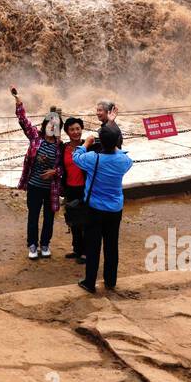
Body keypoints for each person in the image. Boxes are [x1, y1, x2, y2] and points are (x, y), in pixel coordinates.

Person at [72, 121, 131, 293]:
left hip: (95, 209)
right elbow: (126, 157)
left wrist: (86, 144)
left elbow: (76, 158)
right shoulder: (123, 160)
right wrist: (114, 146)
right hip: (115, 210)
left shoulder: (93, 159)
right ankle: (110, 281)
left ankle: (90, 282)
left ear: (101, 142)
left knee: (93, 246)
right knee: (112, 246)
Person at [12, 87, 63, 260]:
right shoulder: (35, 137)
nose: (52, 125)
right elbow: (24, 121)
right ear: (45, 124)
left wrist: (55, 172)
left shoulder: (59, 146)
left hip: (51, 189)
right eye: (50, 122)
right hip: (34, 186)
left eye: (55, 124)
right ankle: (32, 245)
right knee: (33, 216)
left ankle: (45, 244)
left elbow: (64, 167)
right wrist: (18, 101)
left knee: (49, 218)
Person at [61, 117, 88, 262]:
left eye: (78, 129)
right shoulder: (63, 148)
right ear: (67, 132)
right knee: (73, 220)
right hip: (70, 188)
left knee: (85, 221)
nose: (76, 132)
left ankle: (86, 252)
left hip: (85, 188)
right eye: (72, 129)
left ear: (81, 129)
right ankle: (77, 250)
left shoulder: (88, 146)